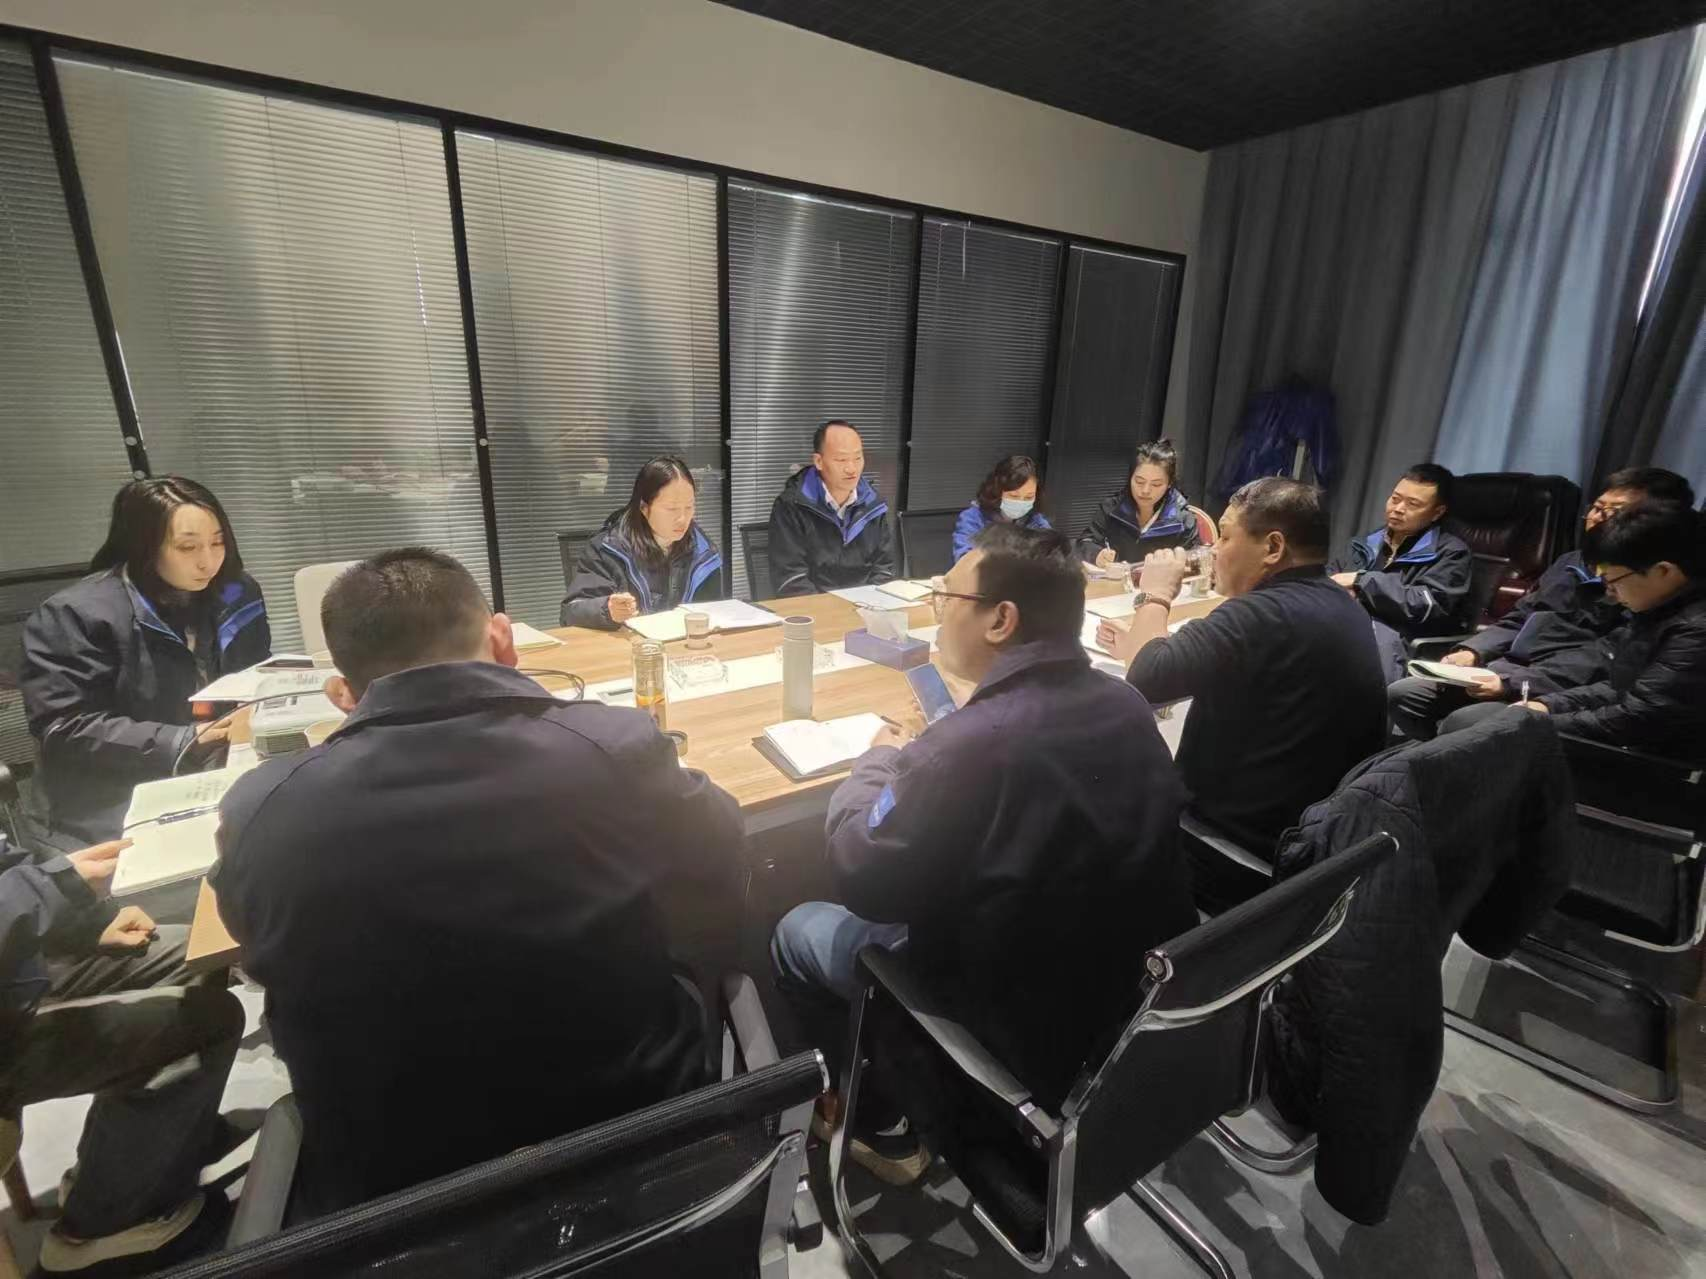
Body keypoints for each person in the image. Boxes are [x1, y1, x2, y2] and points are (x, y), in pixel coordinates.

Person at [214, 548, 744, 1214]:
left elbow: (254, 945)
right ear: (502, 639)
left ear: (344, 695)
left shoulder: (263, 810)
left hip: (400, 1205)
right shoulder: (614, 748)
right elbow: (722, 851)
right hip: (634, 1145)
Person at [771, 525, 1191, 1181]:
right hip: (1113, 1023)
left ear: (1001, 619)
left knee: (795, 928)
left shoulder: (967, 746)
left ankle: (882, 1120)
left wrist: (879, 763)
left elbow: (861, 871)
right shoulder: (1127, 705)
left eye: (948, 598)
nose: (939, 612)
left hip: (1003, 1039)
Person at [1097, 478, 1386, 860]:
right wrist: (1144, 645)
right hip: (1310, 840)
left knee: (1097, 783)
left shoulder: (1261, 613)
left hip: (1230, 845)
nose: (1214, 550)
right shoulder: (1340, 603)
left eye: (1226, 537)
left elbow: (1146, 680)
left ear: (1273, 548)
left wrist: (1156, 595)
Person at [0, 834, 243, 1275]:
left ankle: (127, 1170)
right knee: (211, 1021)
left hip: (15, 973)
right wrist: (51, 887)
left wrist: (85, 923)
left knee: (197, 955)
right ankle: (95, 1231)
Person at [19, 477, 271, 850]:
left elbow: (256, 670)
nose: (208, 561)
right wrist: (186, 740)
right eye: (188, 547)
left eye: (218, 542)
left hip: (224, 765)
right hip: (116, 797)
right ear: (144, 547)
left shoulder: (235, 591)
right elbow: (64, 728)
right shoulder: (75, 615)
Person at [1389, 468, 1696, 740]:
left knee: (1464, 724)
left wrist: (1518, 688)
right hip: (1511, 671)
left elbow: (1605, 665)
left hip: (1555, 683)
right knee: (1406, 694)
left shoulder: (1651, 595)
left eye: (1615, 512)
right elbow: (1520, 616)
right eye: (1597, 508)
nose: (1597, 518)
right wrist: (1474, 651)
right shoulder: (1569, 562)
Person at [1505, 502, 1705, 756]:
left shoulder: (1696, 630)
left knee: (1489, 735)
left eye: (1613, 581)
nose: (1609, 592)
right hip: (1623, 738)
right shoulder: (1657, 610)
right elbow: (1618, 687)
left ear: (1663, 571)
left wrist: (1540, 723)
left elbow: (1639, 718)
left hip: (1657, 761)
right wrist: (1547, 705)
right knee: (1483, 720)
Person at [1328, 463, 1472, 679]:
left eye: (1413, 504)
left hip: (1397, 639)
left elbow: (1427, 604)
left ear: (1437, 512)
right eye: (1395, 499)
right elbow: (1330, 577)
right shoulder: (1366, 543)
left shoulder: (1452, 552)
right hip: (1344, 624)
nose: (1398, 509)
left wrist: (1361, 581)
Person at [560, 456, 724, 629]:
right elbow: (570, 613)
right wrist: (607, 609)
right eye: (671, 508)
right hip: (627, 643)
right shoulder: (608, 548)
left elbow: (713, 611)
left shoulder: (703, 551)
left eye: (689, 507)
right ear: (644, 508)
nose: (683, 518)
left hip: (685, 643)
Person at [766, 420, 898, 597]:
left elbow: (885, 569)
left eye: (858, 458)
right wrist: (834, 609)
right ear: (819, 461)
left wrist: (871, 604)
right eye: (841, 460)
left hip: (866, 606)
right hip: (814, 608)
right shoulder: (792, 505)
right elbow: (790, 580)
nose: (851, 469)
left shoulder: (873, 504)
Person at [1076, 439, 1201, 567]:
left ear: (1169, 484)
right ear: (1130, 478)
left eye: (1156, 484)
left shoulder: (1183, 519)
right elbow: (1085, 542)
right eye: (1139, 482)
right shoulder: (1112, 508)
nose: (1145, 490)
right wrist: (1097, 555)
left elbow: (1194, 559)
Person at [951, 454, 1052, 561]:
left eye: (1029, 497)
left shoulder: (1036, 521)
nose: (1021, 502)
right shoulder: (973, 518)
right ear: (997, 491)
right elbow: (964, 559)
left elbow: (1053, 553)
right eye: (1014, 496)